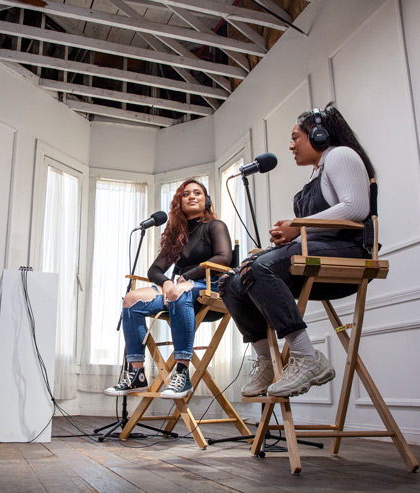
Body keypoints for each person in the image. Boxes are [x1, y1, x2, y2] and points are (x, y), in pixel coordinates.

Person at [220, 105, 376, 398]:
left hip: (352, 251)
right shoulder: (317, 173)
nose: (291, 146)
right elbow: (325, 222)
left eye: (295, 137)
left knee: (259, 267)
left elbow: (356, 208)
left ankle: (306, 357)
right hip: (322, 249)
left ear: (318, 135)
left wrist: (297, 227)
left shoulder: (341, 155)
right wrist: (290, 235)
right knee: (231, 282)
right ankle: (268, 359)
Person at [104, 179, 232, 399]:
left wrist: (185, 278)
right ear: (179, 203)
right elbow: (155, 269)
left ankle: (182, 373)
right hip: (179, 289)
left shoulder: (215, 226)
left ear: (206, 200)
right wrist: (167, 281)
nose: (192, 196)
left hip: (210, 286)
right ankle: (136, 374)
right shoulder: (177, 235)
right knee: (131, 300)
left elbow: (224, 258)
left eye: (197, 193)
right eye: (186, 194)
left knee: (177, 292)